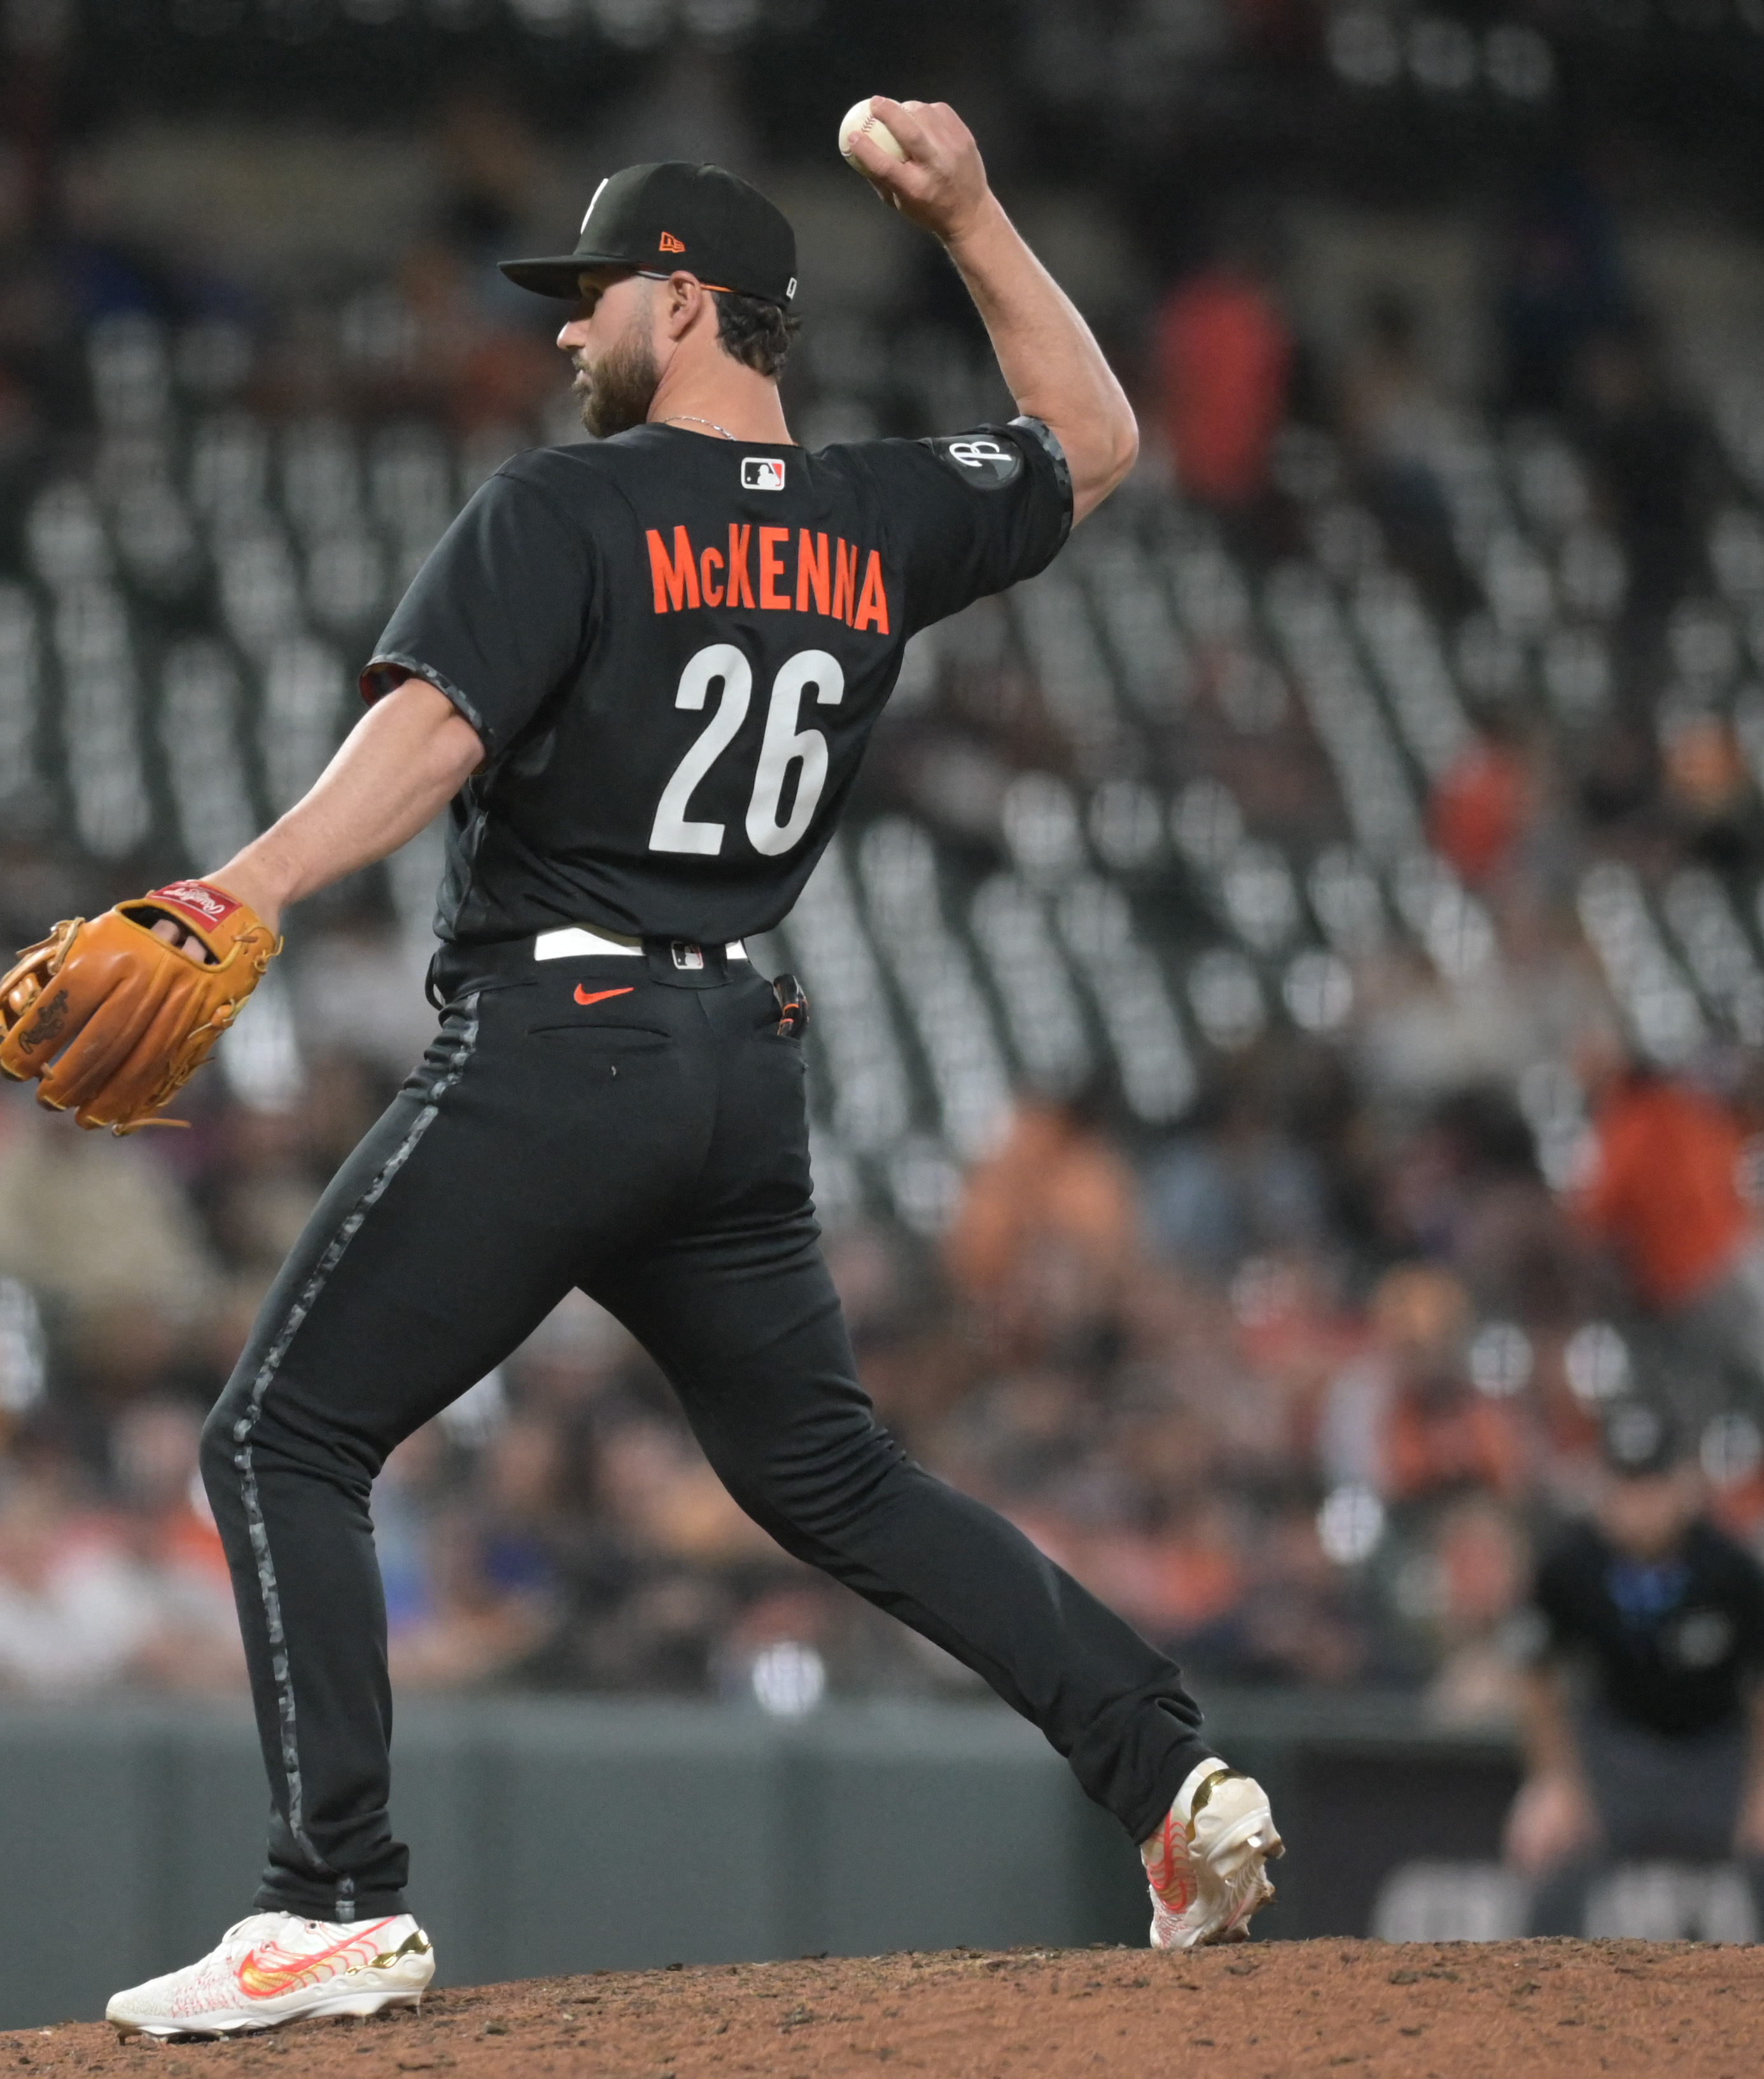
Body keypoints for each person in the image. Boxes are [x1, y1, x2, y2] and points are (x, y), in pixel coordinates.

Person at [88, 106, 1281, 2041]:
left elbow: (435, 732)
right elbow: (1097, 441)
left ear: (686, 300)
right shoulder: (873, 516)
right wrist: (973, 215)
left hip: (564, 1044)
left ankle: (331, 1897)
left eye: (593, 297)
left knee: (278, 1438)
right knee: (827, 1470)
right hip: (738, 1055)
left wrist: (244, 886)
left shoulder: (562, 514)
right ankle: (1159, 1774)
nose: (567, 334)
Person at [1507, 1401, 1764, 1941]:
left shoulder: (1732, 1569)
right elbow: (1536, 1676)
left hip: (1717, 1749)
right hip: (1617, 1746)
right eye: (1626, 1485)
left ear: (1684, 1484)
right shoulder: (1571, 1566)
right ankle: (1526, 1996)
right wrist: (1553, 1780)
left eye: (1652, 1485)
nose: (1640, 1503)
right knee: (1554, 1847)